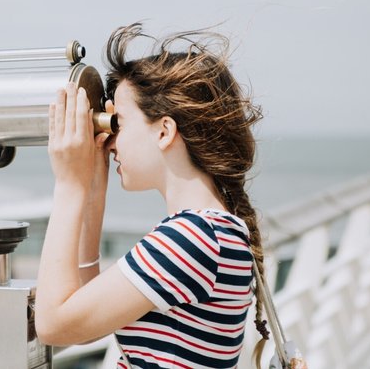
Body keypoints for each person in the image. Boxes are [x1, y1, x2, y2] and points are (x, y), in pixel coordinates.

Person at [36, 23, 269, 369]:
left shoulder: (192, 239)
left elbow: (53, 325)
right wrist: (94, 191)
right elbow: (80, 326)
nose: (110, 141)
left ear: (164, 131)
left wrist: (69, 184)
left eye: (120, 123)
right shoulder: (214, 232)